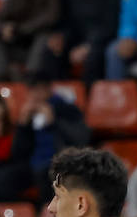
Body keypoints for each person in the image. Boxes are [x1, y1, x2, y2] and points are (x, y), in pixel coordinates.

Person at [8, 77, 91, 205]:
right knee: (8, 177)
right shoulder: (29, 115)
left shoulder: (66, 109)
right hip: (33, 165)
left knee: (48, 174)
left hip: (60, 162)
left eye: (39, 90)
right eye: (32, 91)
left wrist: (54, 122)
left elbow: (81, 139)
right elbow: (17, 152)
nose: (36, 96)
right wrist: (22, 125)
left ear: (48, 90)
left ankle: (48, 214)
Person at [55, 0, 122, 85]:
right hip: (79, 40)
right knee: (54, 50)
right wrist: (62, 38)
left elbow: (111, 26)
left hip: (103, 41)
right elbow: (68, 24)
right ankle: (59, 93)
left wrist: (88, 45)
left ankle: (89, 96)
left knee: (94, 56)